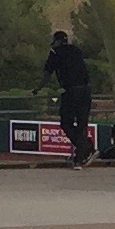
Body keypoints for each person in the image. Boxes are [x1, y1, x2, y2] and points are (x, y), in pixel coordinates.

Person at [41, 28, 93, 166]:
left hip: (71, 91)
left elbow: (48, 72)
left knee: (66, 123)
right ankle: (82, 155)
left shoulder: (55, 52)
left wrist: (38, 88)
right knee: (82, 124)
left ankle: (86, 148)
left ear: (56, 41)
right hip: (86, 90)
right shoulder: (76, 50)